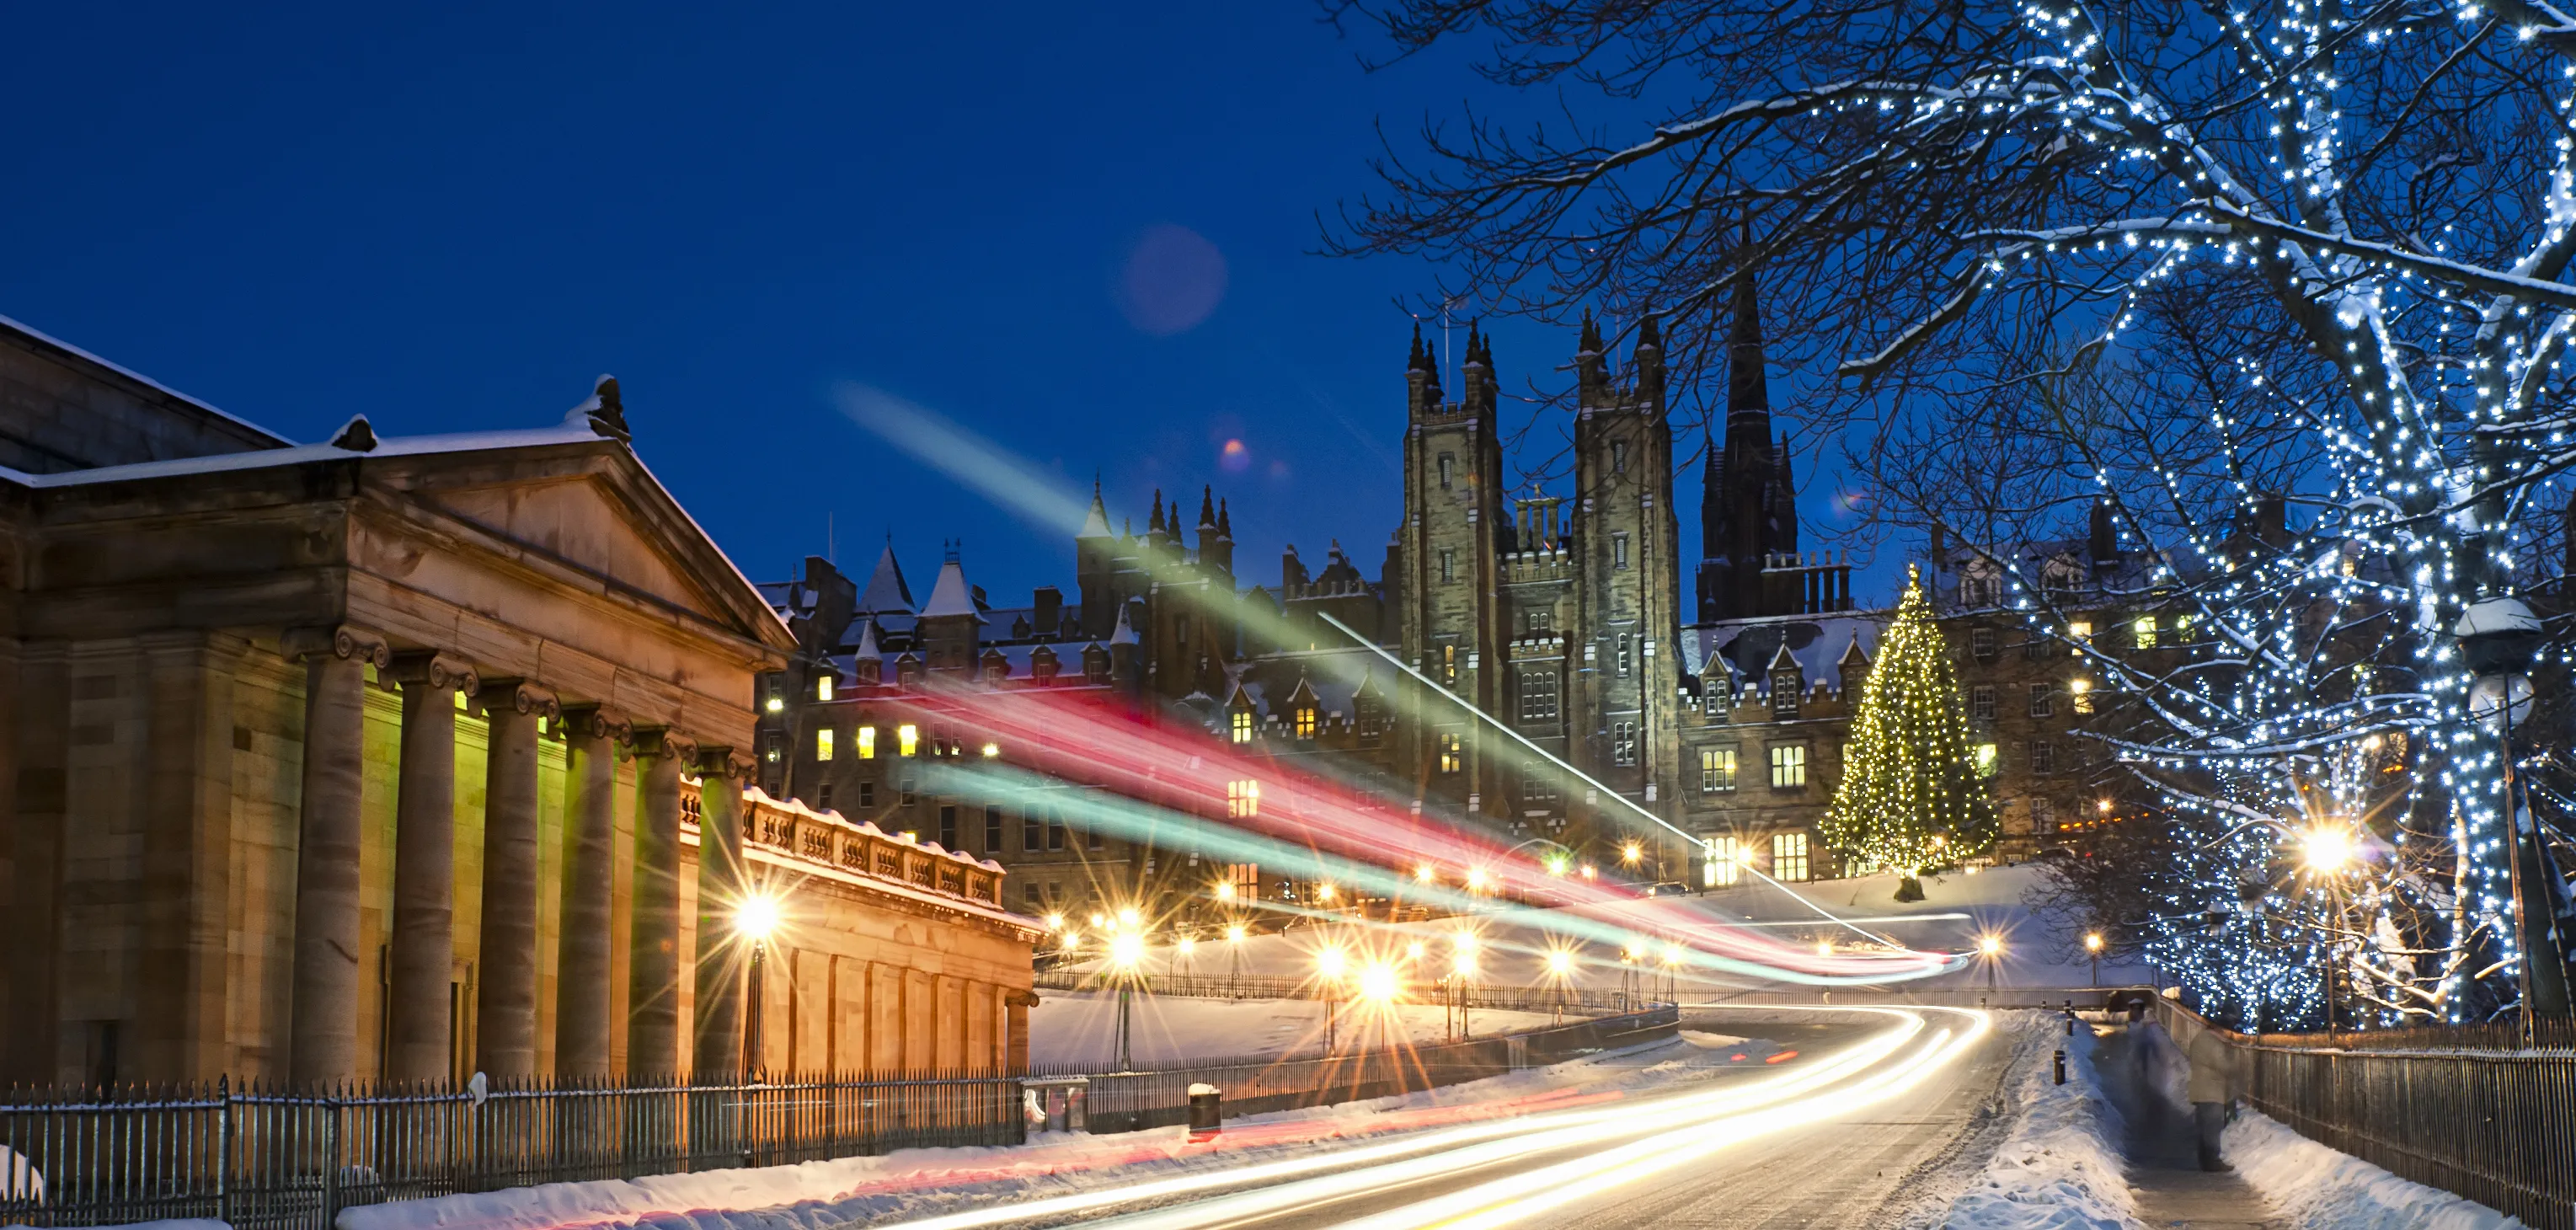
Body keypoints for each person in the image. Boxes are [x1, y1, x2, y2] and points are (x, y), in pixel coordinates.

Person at [2184, 1024, 2238, 1171]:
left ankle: (2205, 1160)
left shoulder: (2200, 1039)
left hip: (2202, 1090)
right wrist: (2236, 1063)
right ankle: (2212, 1161)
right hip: (2211, 1091)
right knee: (2213, 1127)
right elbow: (2224, 1066)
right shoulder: (2212, 1043)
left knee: (2205, 1127)